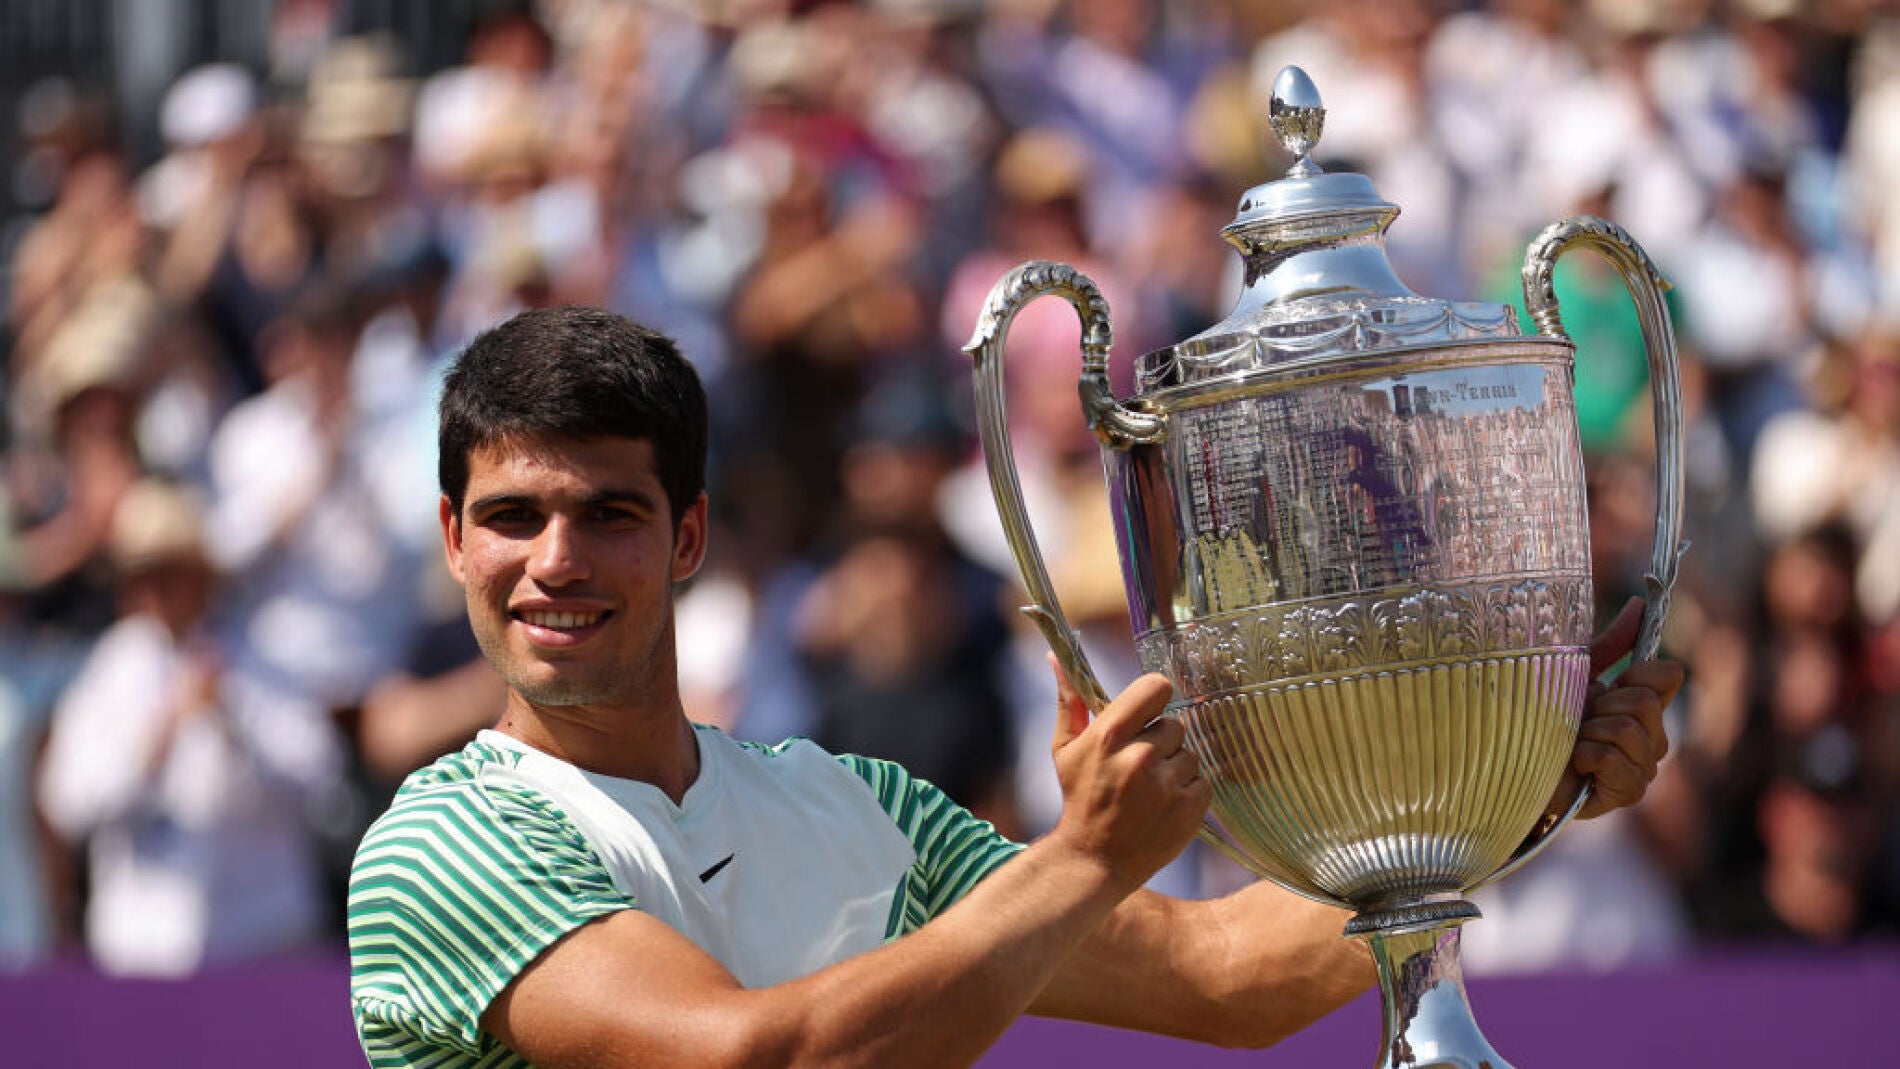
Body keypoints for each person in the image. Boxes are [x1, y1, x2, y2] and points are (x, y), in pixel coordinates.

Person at [347, 306, 1683, 1067]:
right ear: (453, 539)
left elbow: (1223, 976)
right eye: (513, 516)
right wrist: (1084, 858)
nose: (556, 561)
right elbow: (761, 1061)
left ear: (689, 537)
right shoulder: (441, 843)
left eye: (610, 514)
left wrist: (1515, 781)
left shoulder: (854, 804)